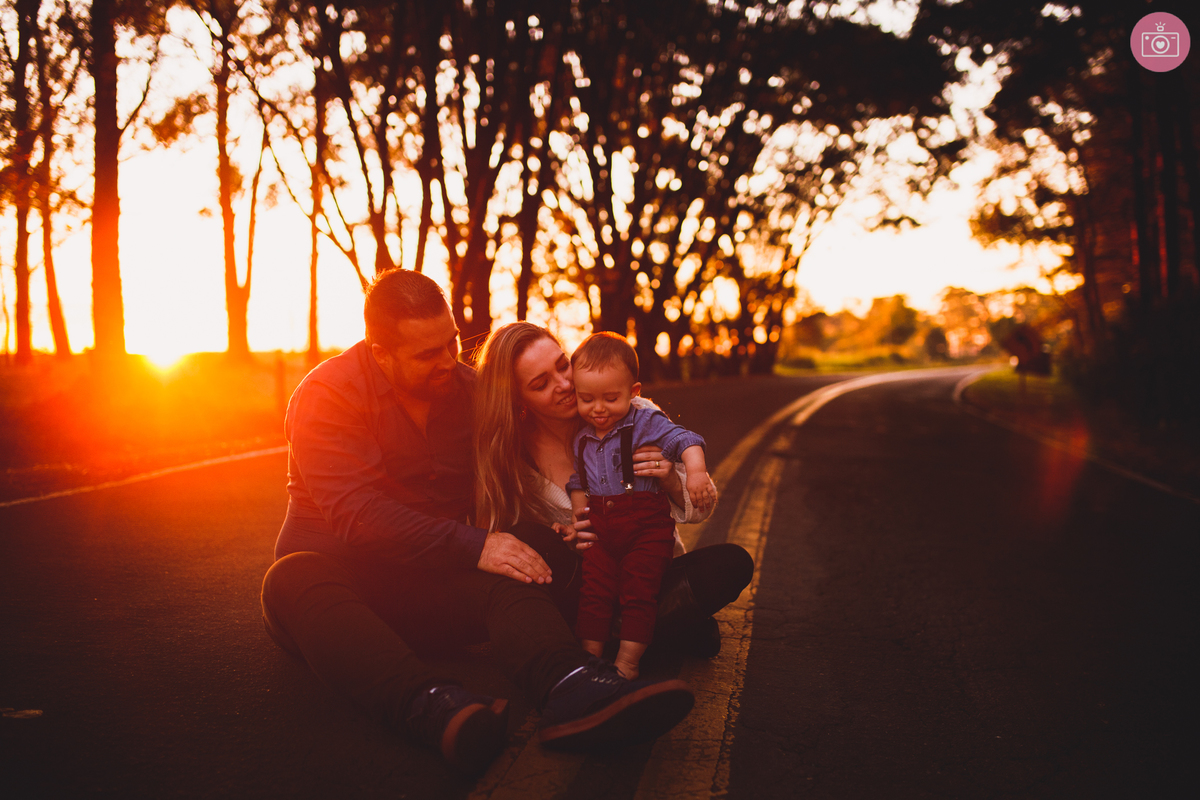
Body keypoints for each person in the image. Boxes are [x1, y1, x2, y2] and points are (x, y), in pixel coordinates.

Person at [260, 270, 695, 776]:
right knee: (291, 576)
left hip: (427, 587)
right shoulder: (328, 394)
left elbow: (547, 429)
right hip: (336, 599)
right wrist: (476, 546)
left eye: (451, 343)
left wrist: (626, 450)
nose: (448, 361)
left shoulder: (468, 391)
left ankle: (573, 684)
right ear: (381, 353)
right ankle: (437, 709)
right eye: (427, 354)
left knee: (524, 545)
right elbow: (357, 515)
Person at [473, 322, 754, 666]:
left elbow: (699, 512)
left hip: (651, 569)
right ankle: (661, 628)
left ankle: (623, 632)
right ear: (518, 398)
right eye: (541, 384)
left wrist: (669, 478)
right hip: (588, 582)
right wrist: (566, 536)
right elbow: (516, 553)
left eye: (563, 365)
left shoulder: (633, 413)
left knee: (731, 563)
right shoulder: (515, 460)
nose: (564, 384)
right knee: (528, 537)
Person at [566, 332, 719, 679]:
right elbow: (578, 480)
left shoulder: (645, 421)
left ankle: (627, 664)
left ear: (633, 392)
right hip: (601, 530)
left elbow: (686, 439)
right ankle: (590, 660)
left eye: (610, 398)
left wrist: (695, 473)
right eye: (586, 399)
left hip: (645, 527)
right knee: (594, 593)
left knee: (639, 591)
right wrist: (578, 513)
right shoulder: (582, 437)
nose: (598, 408)